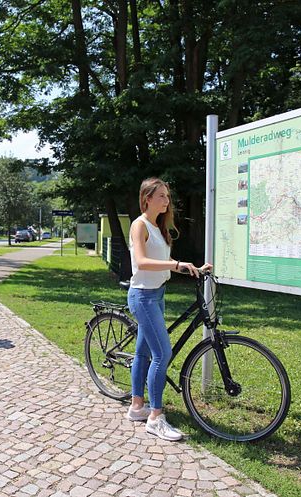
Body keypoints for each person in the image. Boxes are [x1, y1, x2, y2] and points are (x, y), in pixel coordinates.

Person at [125, 177, 212, 441]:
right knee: (162, 354)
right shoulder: (139, 225)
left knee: (142, 353)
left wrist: (192, 267)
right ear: (147, 198)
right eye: (161, 196)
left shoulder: (157, 227)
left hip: (157, 296)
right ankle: (155, 417)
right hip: (143, 297)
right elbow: (141, 262)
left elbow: (163, 261)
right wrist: (175, 266)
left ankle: (137, 407)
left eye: (167, 196)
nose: (166, 201)